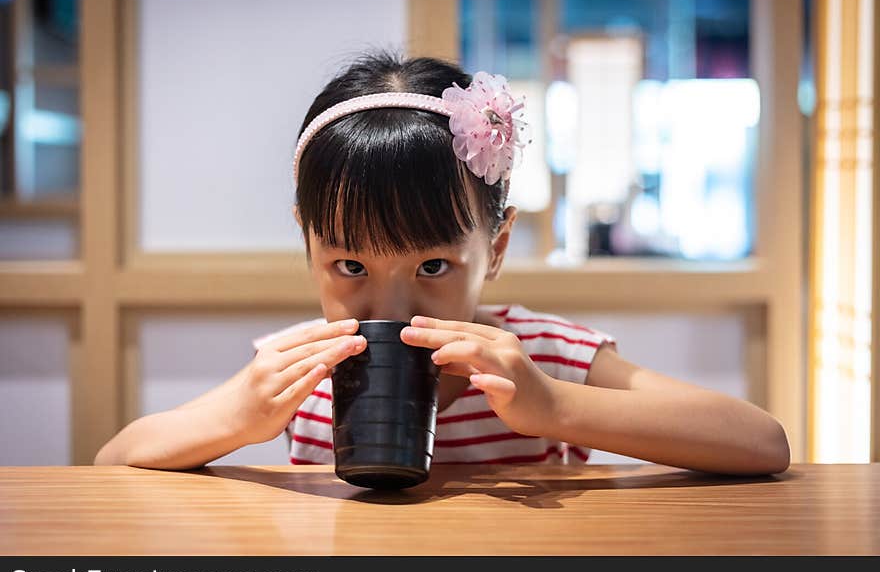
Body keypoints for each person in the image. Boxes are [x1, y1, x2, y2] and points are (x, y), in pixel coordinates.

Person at [94, 50, 790, 476]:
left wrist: (552, 404)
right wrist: (241, 415)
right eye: (349, 266)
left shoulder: (543, 354)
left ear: (496, 246)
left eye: (432, 267)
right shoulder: (297, 369)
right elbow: (114, 461)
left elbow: (761, 442)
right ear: (307, 244)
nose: (391, 311)